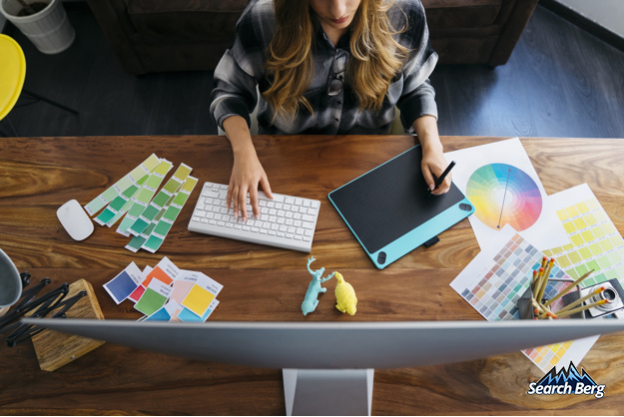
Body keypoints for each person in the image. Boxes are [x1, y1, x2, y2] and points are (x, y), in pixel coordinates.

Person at [211, 0, 451, 221]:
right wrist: (244, 154)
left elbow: (416, 87)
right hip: (281, 158)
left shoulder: (405, 13)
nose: (338, 11)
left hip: (370, 160)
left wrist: (432, 146)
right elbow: (230, 92)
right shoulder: (262, 18)